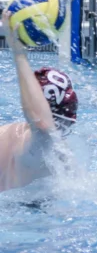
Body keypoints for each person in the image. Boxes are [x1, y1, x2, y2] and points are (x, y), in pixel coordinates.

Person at [0, 11, 77, 192]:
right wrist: (19, 54)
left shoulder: (9, 132)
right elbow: (40, 121)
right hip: (20, 215)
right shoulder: (47, 150)